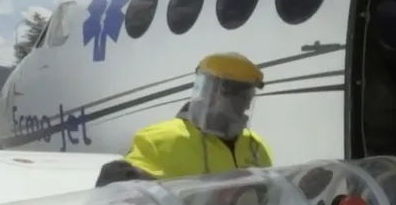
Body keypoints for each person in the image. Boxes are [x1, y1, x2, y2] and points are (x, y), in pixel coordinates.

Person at [95, 52, 272, 186]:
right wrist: (125, 184)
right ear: (205, 92)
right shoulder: (159, 140)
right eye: (227, 91)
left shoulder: (256, 146)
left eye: (244, 94)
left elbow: (272, 199)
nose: (239, 102)